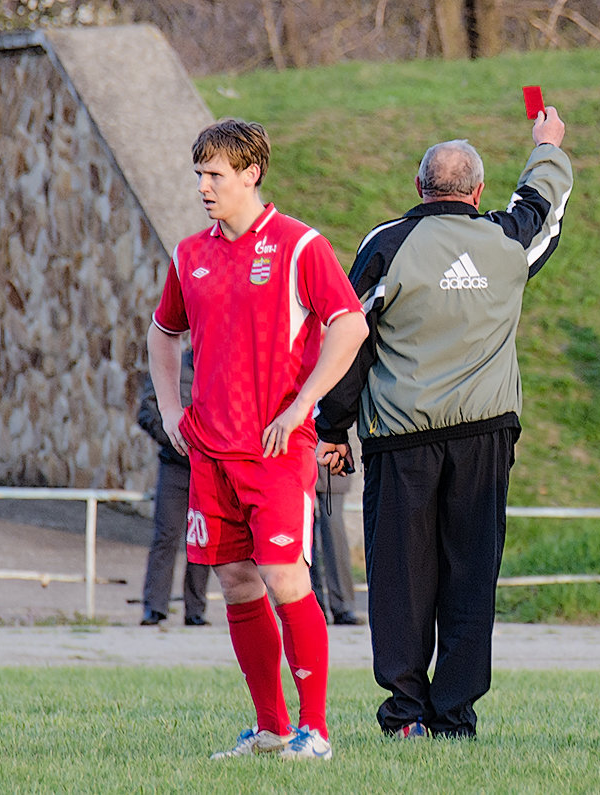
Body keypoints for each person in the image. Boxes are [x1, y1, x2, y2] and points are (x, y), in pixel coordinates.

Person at [313, 108, 572, 739]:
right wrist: (547, 146)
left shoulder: (388, 243)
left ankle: (405, 714)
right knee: (470, 576)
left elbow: (351, 338)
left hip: (402, 441)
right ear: (478, 192)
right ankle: (455, 716)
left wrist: (331, 427)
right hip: (486, 437)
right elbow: (543, 206)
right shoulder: (506, 242)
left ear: (419, 187)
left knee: (402, 579)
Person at [146, 118, 368, 761]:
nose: (204, 187)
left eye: (215, 175)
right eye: (200, 175)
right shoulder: (190, 254)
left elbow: (348, 325)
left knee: (282, 574)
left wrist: (303, 406)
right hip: (210, 450)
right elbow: (163, 333)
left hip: (275, 450)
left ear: (251, 174)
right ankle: (271, 729)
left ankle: (316, 730)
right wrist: (170, 409)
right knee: (238, 582)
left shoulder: (301, 245)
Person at [137, 349, 210, 627]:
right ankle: (154, 607)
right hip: (174, 467)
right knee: (166, 535)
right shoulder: (170, 364)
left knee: (202, 539)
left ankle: (196, 610)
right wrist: (174, 438)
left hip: (207, 469)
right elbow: (146, 410)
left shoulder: (221, 366)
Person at [309, 459, 365, 626]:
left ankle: (343, 606)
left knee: (334, 532)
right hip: (298, 456)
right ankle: (312, 605)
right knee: (304, 536)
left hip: (330, 458)